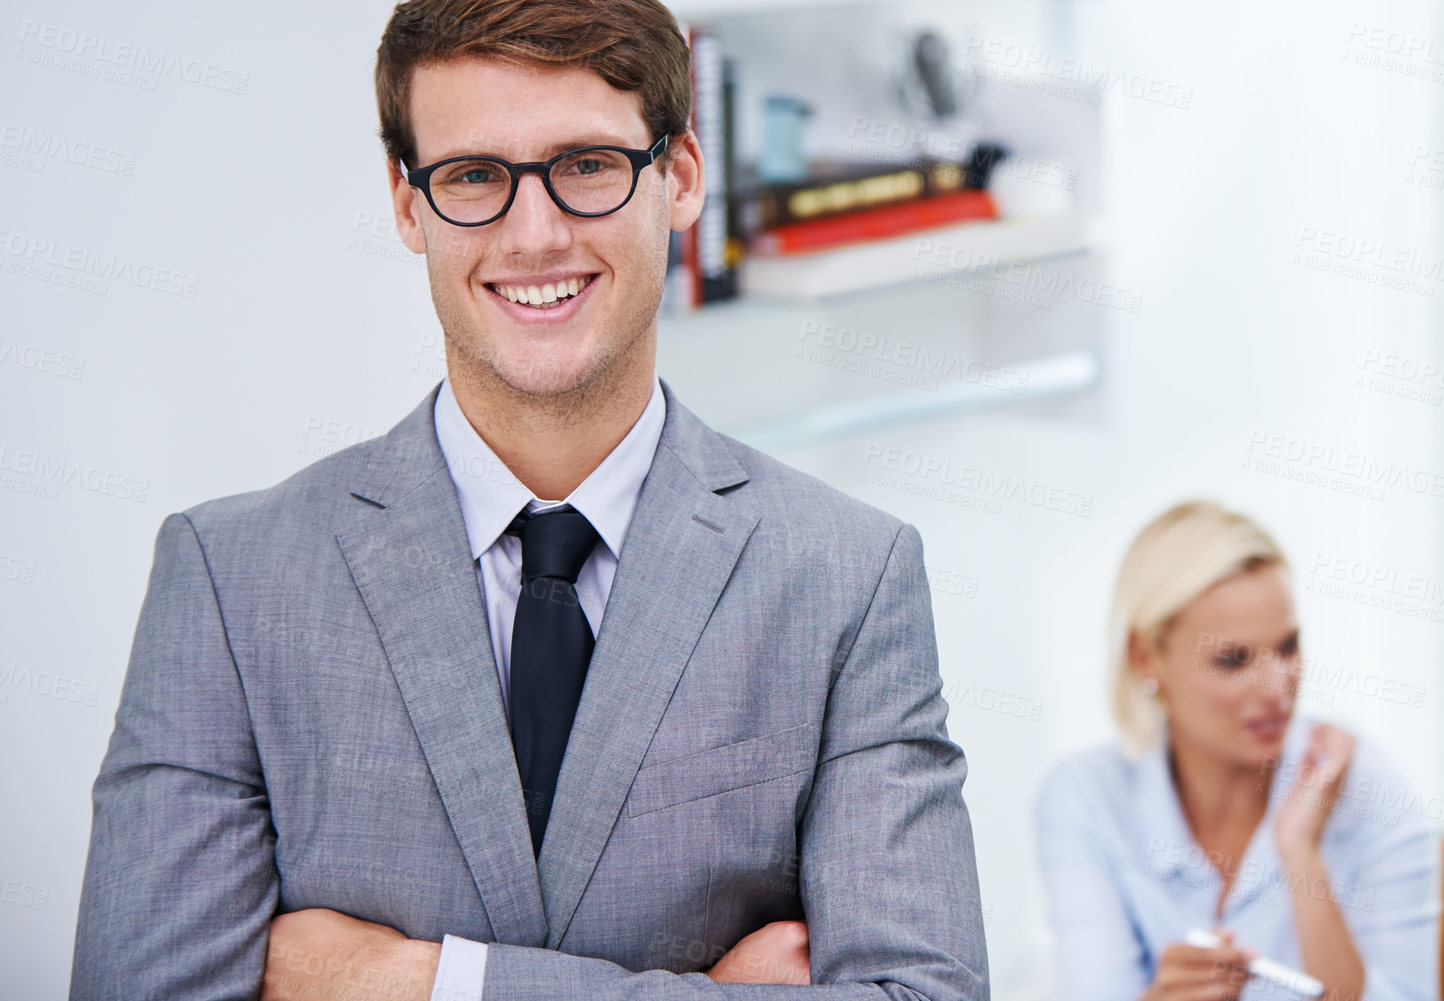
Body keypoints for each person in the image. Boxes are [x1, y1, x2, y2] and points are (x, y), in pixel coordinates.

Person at [66, 2, 989, 999]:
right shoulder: (229, 580)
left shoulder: (847, 577)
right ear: (407, 201)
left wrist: (422, 981)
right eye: (473, 177)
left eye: (586, 164)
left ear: (679, 177)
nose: (535, 233)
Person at [1036, 500, 1441, 1001]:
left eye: (1288, 647)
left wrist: (1299, 852)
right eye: (1233, 659)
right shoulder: (1085, 799)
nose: (1277, 686)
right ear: (1146, 658)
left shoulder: (1372, 790)